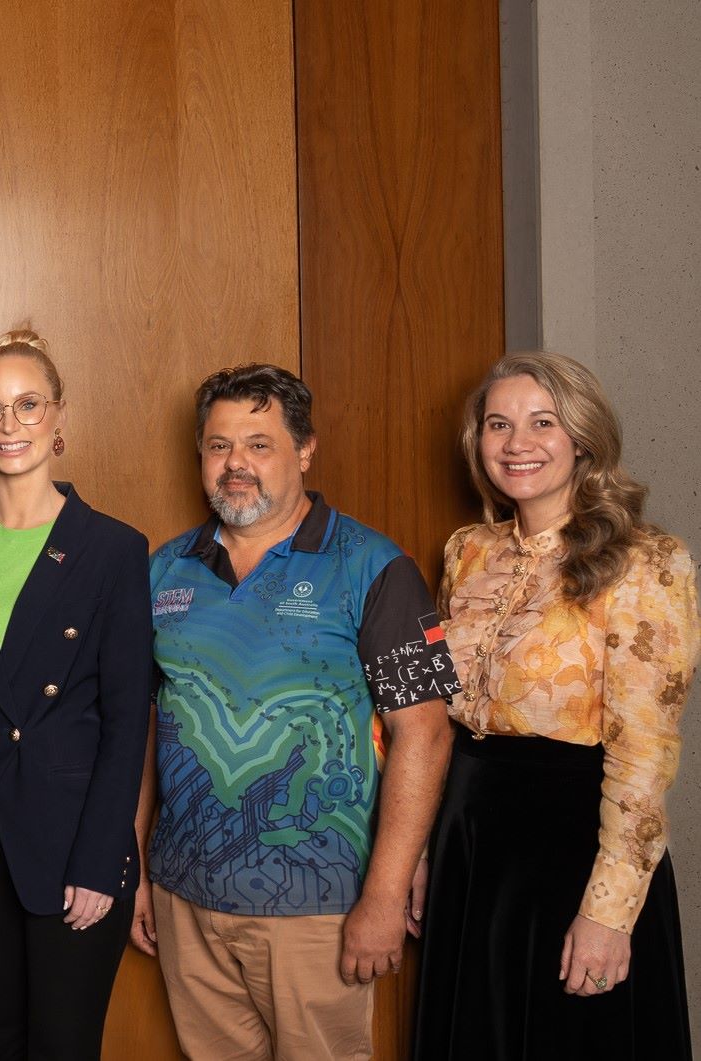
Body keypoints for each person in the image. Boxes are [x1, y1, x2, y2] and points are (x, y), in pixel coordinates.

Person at [131, 363, 458, 1060]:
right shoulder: (166, 569)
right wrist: (135, 866)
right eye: (219, 446)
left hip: (321, 906)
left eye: (259, 443)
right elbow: (147, 729)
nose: (235, 465)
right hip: (185, 897)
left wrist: (384, 893)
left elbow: (424, 734)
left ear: (305, 450)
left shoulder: (372, 566)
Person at [412, 352, 696, 1059]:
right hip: (469, 838)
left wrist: (607, 913)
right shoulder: (465, 552)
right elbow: (438, 721)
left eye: (543, 422)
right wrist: (418, 846)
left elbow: (643, 758)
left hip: (573, 842)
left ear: (582, 439)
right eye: (498, 424)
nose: (518, 443)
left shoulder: (647, 560)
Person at [0, 330, 153, 1060]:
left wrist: (104, 856)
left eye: (28, 405)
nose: (10, 425)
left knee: (63, 1045)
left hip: (75, 835)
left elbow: (124, 717)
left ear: (59, 418)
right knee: (1, 1038)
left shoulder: (112, 548)